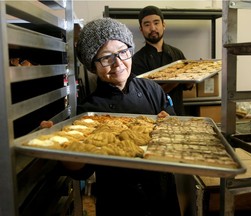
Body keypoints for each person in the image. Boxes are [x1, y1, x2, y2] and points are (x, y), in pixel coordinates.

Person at [63, 17, 181, 216]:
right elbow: (81, 170)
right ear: (93, 66)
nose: (118, 63)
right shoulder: (89, 109)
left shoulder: (152, 89)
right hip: (119, 201)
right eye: (106, 57)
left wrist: (170, 126)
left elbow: (175, 132)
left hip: (163, 195)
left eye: (123, 52)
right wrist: (63, 145)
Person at [132, 5, 192, 116]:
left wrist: (192, 72)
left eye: (156, 23)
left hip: (178, 115)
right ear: (141, 29)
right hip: (152, 117)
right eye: (147, 24)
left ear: (163, 25)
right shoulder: (137, 60)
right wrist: (177, 78)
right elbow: (146, 95)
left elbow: (187, 86)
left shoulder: (177, 54)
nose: (153, 28)